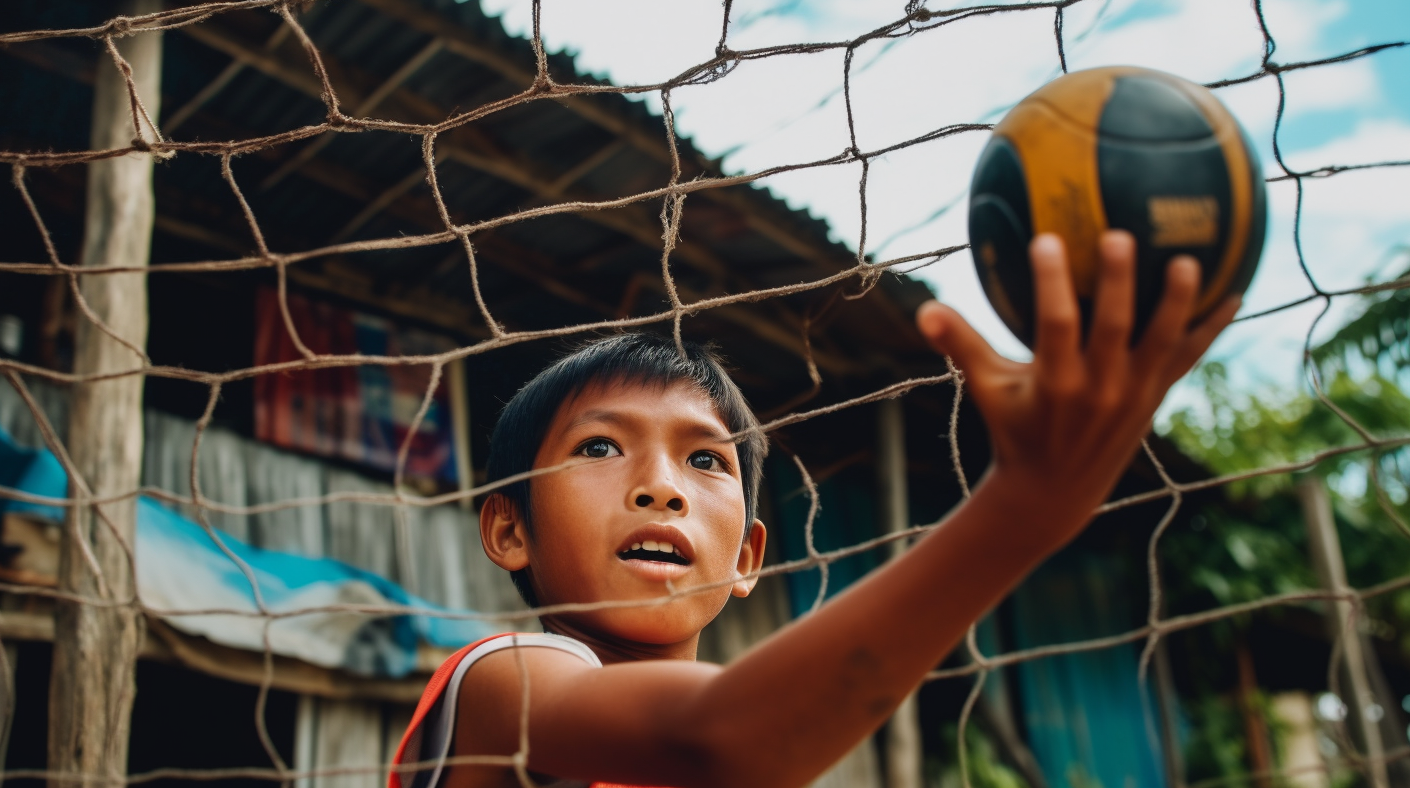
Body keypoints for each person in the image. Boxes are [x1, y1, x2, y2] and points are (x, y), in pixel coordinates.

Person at [390, 232, 1239, 788]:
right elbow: (718, 738)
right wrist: (1024, 509)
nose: (662, 486)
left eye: (705, 459)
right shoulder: (503, 682)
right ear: (508, 528)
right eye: (601, 448)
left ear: (751, 556)